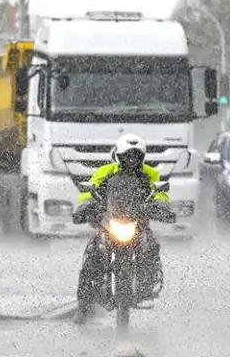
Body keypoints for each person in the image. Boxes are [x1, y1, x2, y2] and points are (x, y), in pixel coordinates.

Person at [71, 134, 171, 324]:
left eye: (135, 156)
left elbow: (160, 195)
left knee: (151, 247)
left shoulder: (151, 174)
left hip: (137, 224)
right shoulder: (106, 172)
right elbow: (89, 193)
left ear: (142, 157)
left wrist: (162, 207)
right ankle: (83, 306)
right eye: (127, 156)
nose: (131, 160)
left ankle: (147, 283)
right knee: (92, 255)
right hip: (110, 223)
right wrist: (87, 207)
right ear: (118, 156)